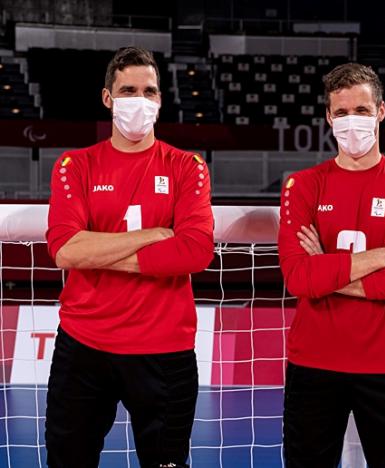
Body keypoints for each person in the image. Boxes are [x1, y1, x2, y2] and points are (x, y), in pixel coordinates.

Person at [45, 46, 214, 468]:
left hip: (165, 350)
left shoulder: (187, 167)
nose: (139, 100)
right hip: (84, 346)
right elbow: (65, 250)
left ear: (159, 100)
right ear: (108, 98)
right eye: (128, 90)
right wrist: (155, 235)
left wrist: (97, 251)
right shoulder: (75, 165)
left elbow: (195, 250)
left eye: (149, 91)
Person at [277, 63, 385, 468]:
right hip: (314, 363)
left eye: (363, 111)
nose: (353, 122)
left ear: (381, 112)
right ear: (330, 117)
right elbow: (299, 278)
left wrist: (327, 269)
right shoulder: (302, 185)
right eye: (343, 112)